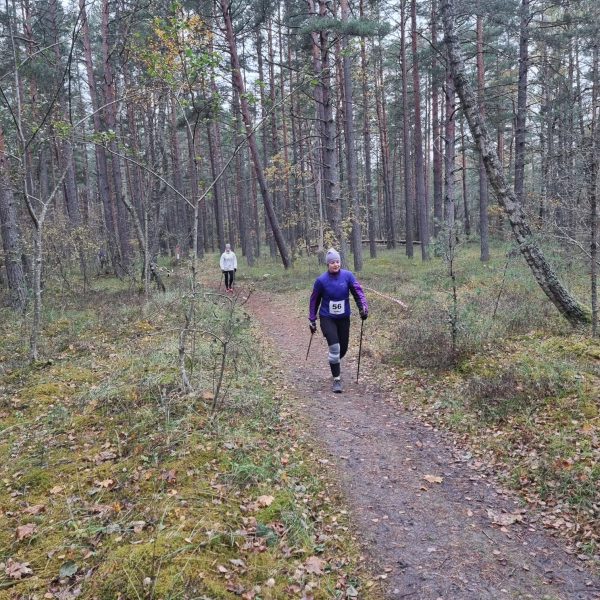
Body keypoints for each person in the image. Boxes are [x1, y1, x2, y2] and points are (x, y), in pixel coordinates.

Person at [308, 248, 368, 393]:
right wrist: (312, 319)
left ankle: (333, 360)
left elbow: (358, 292)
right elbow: (314, 300)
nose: (335, 264)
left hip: (343, 318)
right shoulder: (321, 280)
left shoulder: (348, 276)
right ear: (327, 264)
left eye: (337, 262)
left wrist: (363, 308)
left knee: (343, 348)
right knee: (335, 348)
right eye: (332, 262)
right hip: (327, 318)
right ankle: (337, 380)